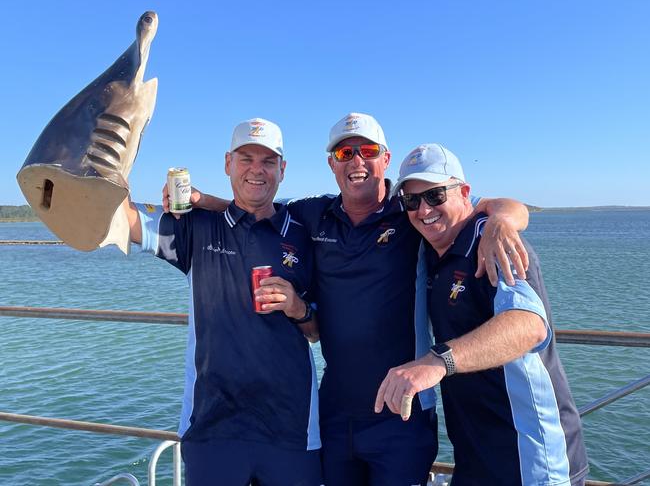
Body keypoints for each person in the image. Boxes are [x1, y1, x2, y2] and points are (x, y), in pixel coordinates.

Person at [172, 113, 531, 486]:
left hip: (402, 414)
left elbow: (479, 207)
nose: (357, 161)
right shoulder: (312, 214)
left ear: (385, 159)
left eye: (368, 151)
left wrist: (502, 221)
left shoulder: (411, 213)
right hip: (335, 411)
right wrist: (201, 201)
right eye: (345, 152)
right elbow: (256, 208)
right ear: (332, 163)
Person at [375, 143, 589, 485]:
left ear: (464, 193)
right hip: (474, 455)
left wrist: (436, 361)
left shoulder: (492, 243)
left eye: (434, 195)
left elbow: (529, 326)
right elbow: (500, 205)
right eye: (412, 201)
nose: (423, 210)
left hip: (531, 455)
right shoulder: (433, 249)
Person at [124, 118, 322, 486]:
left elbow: (316, 332)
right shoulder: (195, 226)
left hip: (291, 429)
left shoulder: (303, 233)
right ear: (228, 163)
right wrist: (122, 145)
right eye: (246, 159)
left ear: (282, 169)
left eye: (268, 161)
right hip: (213, 425)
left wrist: (298, 308)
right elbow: (125, 220)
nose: (256, 170)